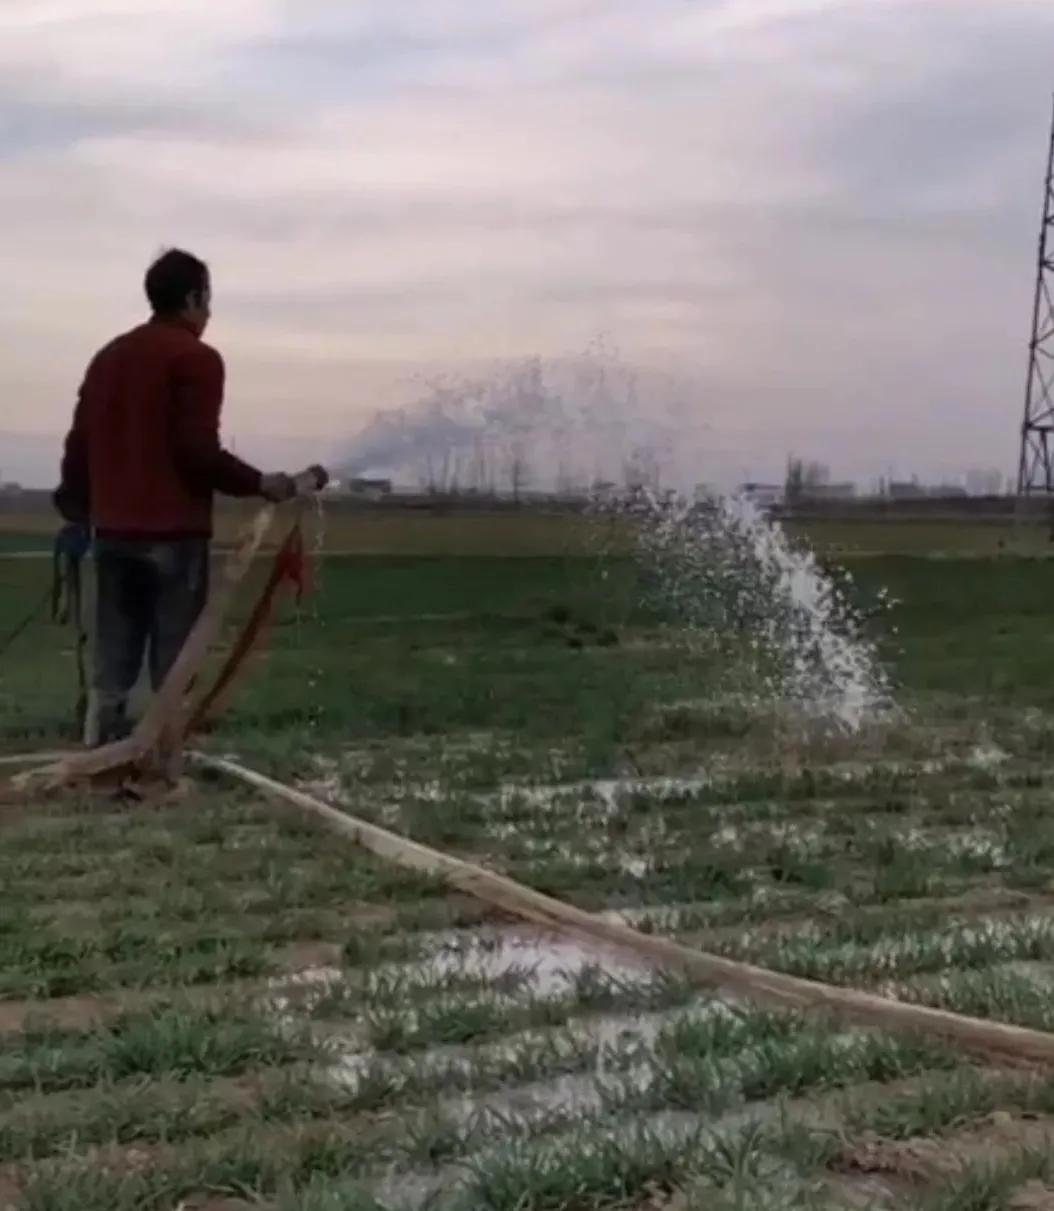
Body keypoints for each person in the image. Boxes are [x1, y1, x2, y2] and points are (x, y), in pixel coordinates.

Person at [54, 248, 319, 746]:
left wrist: (75, 507)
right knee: (174, 665)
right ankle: (161, 762)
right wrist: (260, 482)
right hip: (171, 537)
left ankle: (101, 756)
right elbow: (198, 451)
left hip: (111, 534)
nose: (210, 313)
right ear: (193, 297)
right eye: (207, 300)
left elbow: (79, 444)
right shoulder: (196, 358)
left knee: (112, 664)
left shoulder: (109, 356)